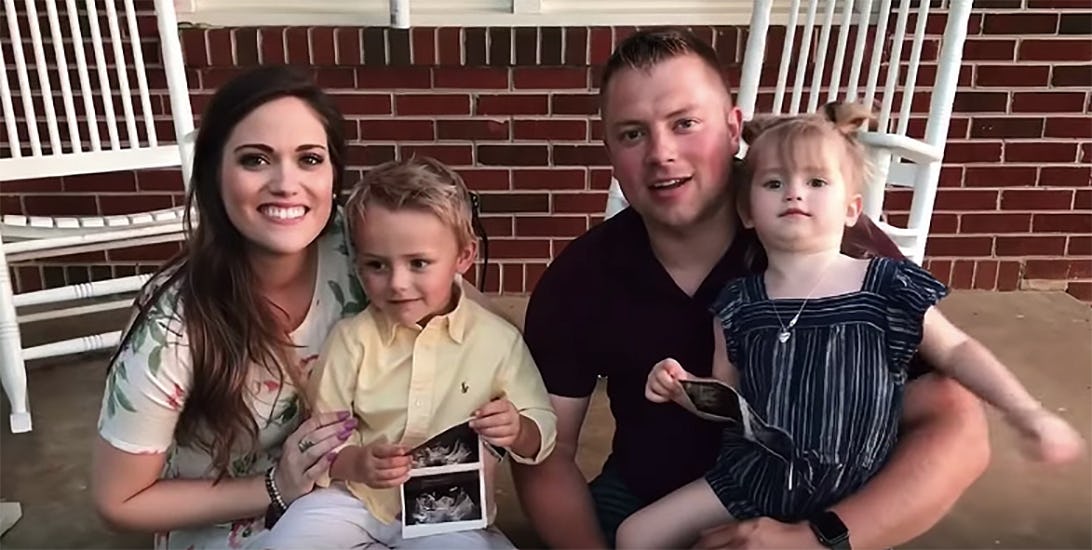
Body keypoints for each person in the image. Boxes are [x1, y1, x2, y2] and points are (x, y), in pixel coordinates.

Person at [511, 27, 992, 549]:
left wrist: (814, 540)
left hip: (814, 508)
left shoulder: (834, 244)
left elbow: (958, 425)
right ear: (610, 151)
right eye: (632, 134)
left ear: (733, 127)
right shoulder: (582, 277)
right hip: (649, 496)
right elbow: (545, 452)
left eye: (685, 123)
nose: (661, 153)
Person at [616, 103, 1085, 549]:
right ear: (747, 212)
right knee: (634, 536)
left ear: (850, 208)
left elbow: (958, 352)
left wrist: (1026, 412)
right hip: (752, 478)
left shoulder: (885, 285)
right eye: (774, 184)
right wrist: (684, 389)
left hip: (854, 486)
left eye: (817, 181)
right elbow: (730, 401)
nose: (795, 193)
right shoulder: (738, 305)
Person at [89, 66, 490, 549]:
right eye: (255, 160)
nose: (285, 183)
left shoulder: (362, 248)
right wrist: (275, 486)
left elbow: (470, 321)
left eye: (309, 159)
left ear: (334, 174)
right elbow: (121, 500)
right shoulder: (173, 325)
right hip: (236, 520)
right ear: (214, 171)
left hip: (363, 493)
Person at [261, 157, 557, 549]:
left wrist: (518, 429)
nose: (398, 284)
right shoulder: (353, 339)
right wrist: (359, 463)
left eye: (419, 263)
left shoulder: (497, 342)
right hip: (353, 499)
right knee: (287, 542)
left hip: (449, 510)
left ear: (463, 258)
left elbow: (542, 425)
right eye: (377, 265)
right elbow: (323, 439)